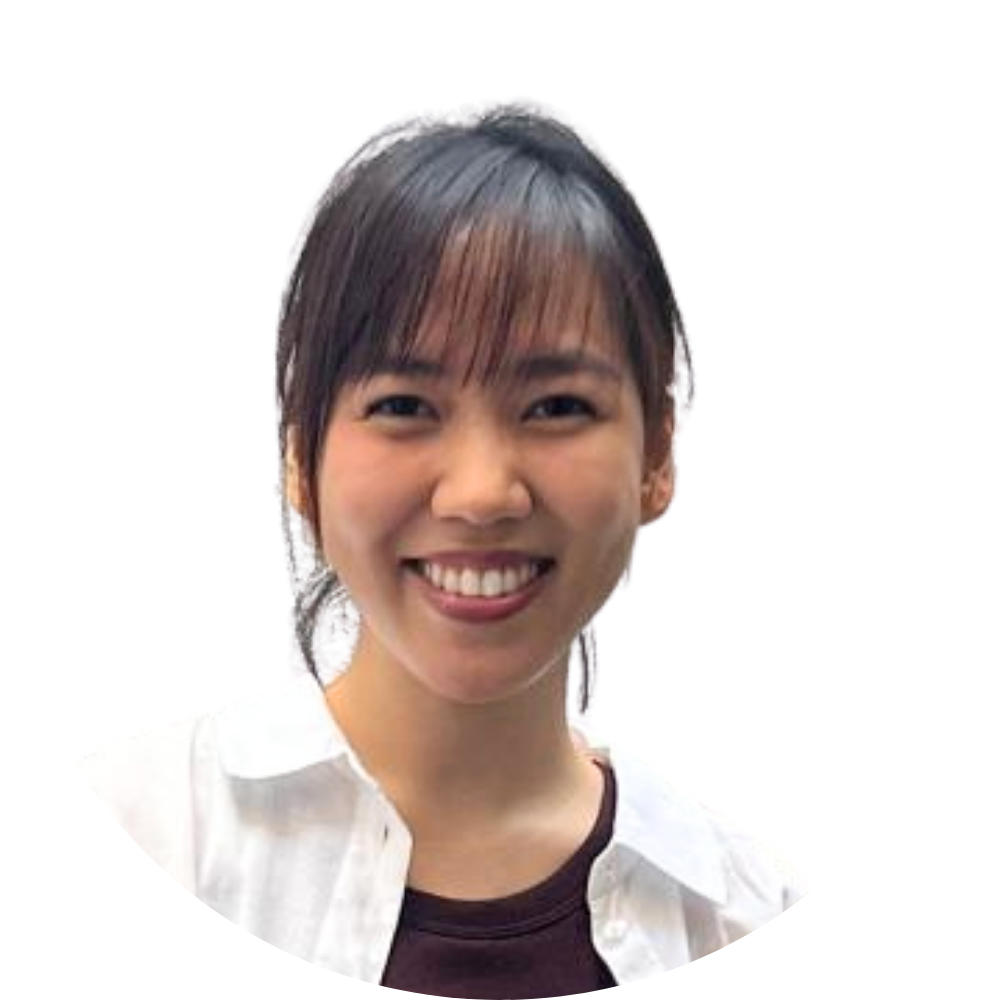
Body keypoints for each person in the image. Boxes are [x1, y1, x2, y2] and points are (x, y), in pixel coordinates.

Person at [81, 105, 796, 992]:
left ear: (656, 457)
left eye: (557, 407)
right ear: (300, 456)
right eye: (404, 406)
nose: (481, 493)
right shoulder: (151, 826)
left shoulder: (732, 913)